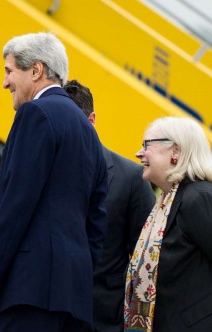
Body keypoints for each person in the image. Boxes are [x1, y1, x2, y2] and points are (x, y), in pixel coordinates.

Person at [0, 32, 109, 331]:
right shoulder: (88, 131)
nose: (5, 83)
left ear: (36, 70)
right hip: (72, 296)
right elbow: (96, 220)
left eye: (9, 71)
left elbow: (16, 200)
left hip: (29, 289)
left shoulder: (34, 113)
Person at [124, 116, 212, 331]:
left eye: (146, 145)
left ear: (175, 151)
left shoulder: (199, 199)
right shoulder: (166, 204)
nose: (139, 153)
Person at [63, 80, 155, 332]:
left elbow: (147, 259)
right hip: (47, 313)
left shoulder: (132, 178)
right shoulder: (41, 170)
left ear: (91, 120)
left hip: (103, 319)